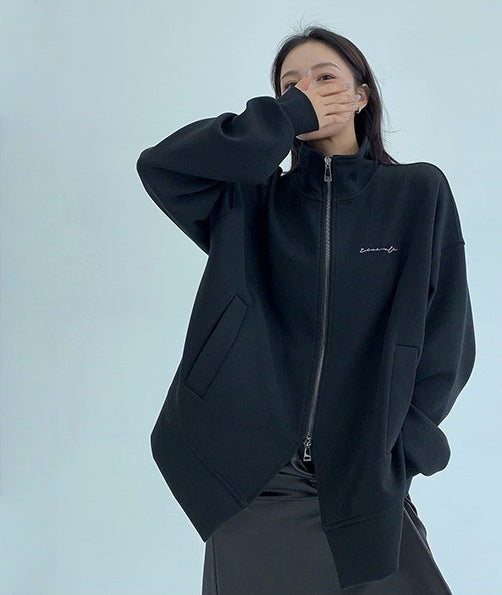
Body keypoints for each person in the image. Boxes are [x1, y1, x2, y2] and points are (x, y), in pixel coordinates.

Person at [136, 25, 475, 595]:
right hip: (254, 475)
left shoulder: (417, 193)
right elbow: (162, 167)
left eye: (325, 78)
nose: (308, 91)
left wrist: (402, 448)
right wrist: (284, 118)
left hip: (362, 474)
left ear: (360, 96)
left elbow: (449, 336)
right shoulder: (250, 200)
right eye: (291, 86)